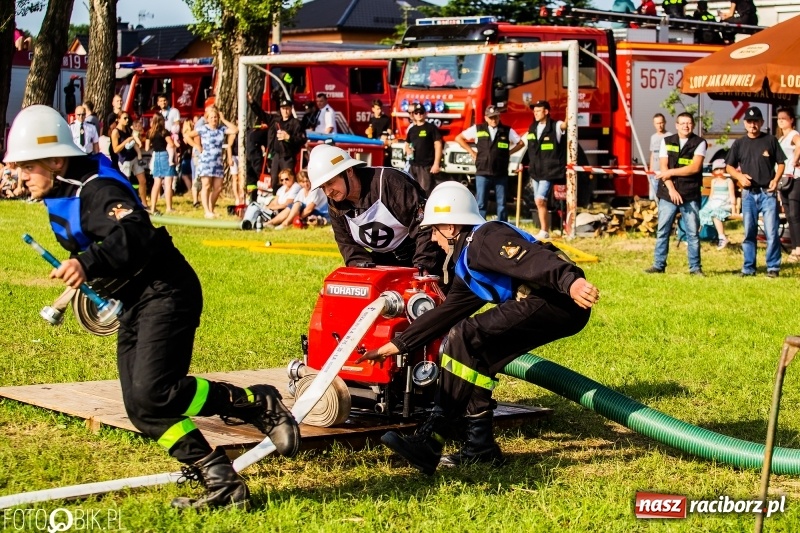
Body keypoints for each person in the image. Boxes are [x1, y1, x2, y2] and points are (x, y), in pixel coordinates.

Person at [4, 105, 300, 510]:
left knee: (156, 391)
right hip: (134, 301)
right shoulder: (60, 188)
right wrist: (84, 279)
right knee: (143, 407)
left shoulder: (95, 189)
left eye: (27, 166)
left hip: (166, 291)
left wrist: (86, 263)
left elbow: (135, 232)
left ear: (56, 160)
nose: (19, 175)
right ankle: (221, 483)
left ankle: (255, 402)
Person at [355, 181, 598, 474]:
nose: (432, 239)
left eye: (434, 229)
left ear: (452, 226)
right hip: (550, 302)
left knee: (465, 335)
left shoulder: (486, 239)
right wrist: (400, 344)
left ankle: (431, 437)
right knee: (475, 355)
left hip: (560, 299)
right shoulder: (468, 262)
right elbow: (448, 311)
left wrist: (570, 281)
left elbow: (536, 259)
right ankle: (480, 447)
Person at [307, 144, 444, 279]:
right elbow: (349, 247)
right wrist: (364, 276)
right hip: (384, 261)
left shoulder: (389, 183)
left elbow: (424, 228)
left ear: (349, 171)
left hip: (423, 254)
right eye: (322, 187)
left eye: (330, 183)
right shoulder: (335, 204)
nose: (328, 192)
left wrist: (422, 268)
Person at [725, 106, 785, 277]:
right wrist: (739, 176)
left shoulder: (771, 140)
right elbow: (729, 166)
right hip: (749, 194)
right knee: (749, 232)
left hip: (768, 192)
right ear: (745, 123)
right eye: (750, 122)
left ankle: (773, 267)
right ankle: (749, 267)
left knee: (771, 232)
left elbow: (781, 163)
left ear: (762, 123)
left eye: (756, 121)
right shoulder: (739, 143)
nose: (753, 125)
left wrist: (775, 180)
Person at [645, 112, 707, 276]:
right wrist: (671, 189)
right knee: (663, 230)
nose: (686, 126)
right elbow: (663, 166)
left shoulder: (700, 143)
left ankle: (695, 268)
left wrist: (671, 172)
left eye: (689, 123)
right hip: (668, 192)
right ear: (676, 125)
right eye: (683, 123)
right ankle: (658, 265)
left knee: (692, 233)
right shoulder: (667, 141)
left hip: (689, 193)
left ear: (693, 125)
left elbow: (694, 168)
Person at [455, 105, 524, 224]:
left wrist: (509, 152)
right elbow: (459, 138)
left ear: (499, 117)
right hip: (483, 171)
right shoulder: (478, 128)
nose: (494, 120)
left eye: (496, 117)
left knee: (502, 204)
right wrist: (471, 152)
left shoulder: (506, 130)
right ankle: (480, 226)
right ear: (486, 118)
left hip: (500, 172)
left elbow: (521, 143)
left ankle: (503, 227)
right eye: (491, 118)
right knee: (481, 203)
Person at [185, 106, 238, 219]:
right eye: (212, 117)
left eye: (216, 117)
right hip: (206, 161)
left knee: (218, 187)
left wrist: (223, 120)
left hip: (218, 162)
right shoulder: (203, 128)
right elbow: (188, 135)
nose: (214, 119)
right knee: (206, 186)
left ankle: (211, 209)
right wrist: (196, 146)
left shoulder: (221, 129)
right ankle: (207, 211)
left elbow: (235, 130)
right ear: (207, 118)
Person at [525, 100, 566, 239]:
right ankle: (545, 230)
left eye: (538, 110)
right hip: (535, 171)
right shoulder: (532, 127)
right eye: (534, 111)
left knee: (540, 200)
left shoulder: (556, 126)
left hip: (549, 171)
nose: (535, 113)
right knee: (540, 202)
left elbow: (566, 125)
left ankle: (544, 230)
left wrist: (569, 113)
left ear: (546, 112)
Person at [776, 108, 800, 263]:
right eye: (779, 118)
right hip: (783, 179)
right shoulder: (780, 139)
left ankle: (798, 249)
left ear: (791, 120)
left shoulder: (793, 134)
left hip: (795, 177)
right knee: (789, 215)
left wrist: (794, 161)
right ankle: (794, 246)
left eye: (784, 118)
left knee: (795, 213)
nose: (781, 121)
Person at [267, 98, 306, 194]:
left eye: (287, 108)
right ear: (280, 110)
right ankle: (276, 199)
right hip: (276, 155)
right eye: (283, 108)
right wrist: (252, 102)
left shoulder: (296, 123)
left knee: (288, 179)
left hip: (288, 156)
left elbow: (302, 139)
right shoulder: (276, 121)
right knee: (274, 179)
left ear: (291, 109)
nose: (285, 111)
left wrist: (288, 137)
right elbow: (263, 115)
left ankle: (290, 199)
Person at [405, 103, 443, 196]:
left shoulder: (431, 128)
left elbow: (438, 145)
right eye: (416, 113)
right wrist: (408, 149)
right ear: (413, 114)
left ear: (425, 114)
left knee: (425, 191)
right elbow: (406, 144)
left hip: (426, 166)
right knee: (412, 190)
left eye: (421, 112)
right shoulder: (412, 129)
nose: (419, 115)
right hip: (413, 165)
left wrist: (436, 164)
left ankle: (426, 210)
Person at [110, 112, 147, 205]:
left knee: (143, 180)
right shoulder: (116, 132)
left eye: (127, 118)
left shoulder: (128, 129)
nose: (127, 120)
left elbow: (134, 140)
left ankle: (144, 203)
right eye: (124, 118)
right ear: (118, 119)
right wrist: (126, 141)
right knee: (126, 183)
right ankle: (126, 203)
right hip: (124, 160)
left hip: (134, 157)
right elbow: (115, 149)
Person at [699, 159, 736, 249]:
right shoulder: (714, 181)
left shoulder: (728, 181)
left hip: (724, 204)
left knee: (716, 214)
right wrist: (708, 206)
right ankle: (695, 238)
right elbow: (711, 195)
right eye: (717, 169)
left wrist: (734, 209)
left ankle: (722, 237)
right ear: (714, 171)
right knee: (701, 212)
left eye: (721, 169)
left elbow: (732, 195)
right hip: (714, 203)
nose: (719, 171)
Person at [144, 113, 176, 215]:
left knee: (156, 183)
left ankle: (153, 208)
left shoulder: (150, 132)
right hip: (164, 155)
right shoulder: (164, 132)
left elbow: (147, 148)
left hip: (155, 156)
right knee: (168, 182)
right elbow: (171, 144)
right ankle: (169, 207)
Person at [245, 93, 274, 200]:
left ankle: (265, 197)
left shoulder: (267, 128)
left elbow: (268, 142)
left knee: (261, 175)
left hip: (256, 155)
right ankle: (252, 198)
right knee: (251, 178)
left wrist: (268, 153)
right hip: (249, 155)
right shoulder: (250, 131)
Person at [649, 114, 670, 201]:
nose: (660, 125)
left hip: (664, 171)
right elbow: (653, 153)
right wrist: (650, 169)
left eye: (661, 123)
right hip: (654, 172)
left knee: (663, 196)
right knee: (653, 197)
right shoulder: (653, 137)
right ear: (654, 124)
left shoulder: (670, 136)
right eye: (657, 123)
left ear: (665, 123)